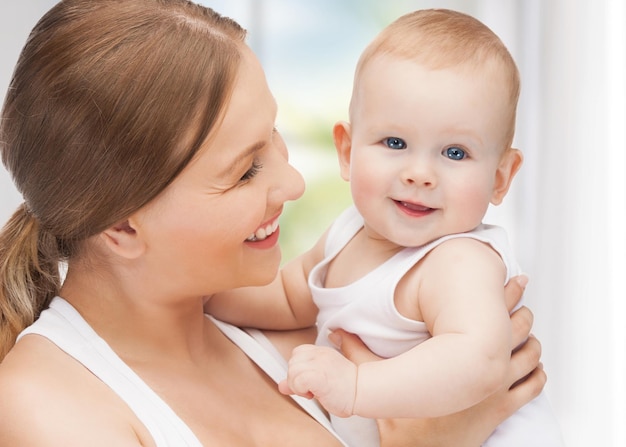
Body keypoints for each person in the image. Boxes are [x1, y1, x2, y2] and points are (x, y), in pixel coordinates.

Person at [0, 1, 546, 446]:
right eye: (246, 171)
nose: (293, 185)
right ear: (121, 226)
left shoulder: (312, 340)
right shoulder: (46, 405)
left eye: (274, 137)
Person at [205, 8, 563, 447]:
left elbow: (480, 359)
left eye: (454, 153)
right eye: (395, 143)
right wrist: (206, 293)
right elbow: (288, 296)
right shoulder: (348, 233)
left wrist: (357, 386)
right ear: (347, 151)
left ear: (501, 178)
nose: (420, 173)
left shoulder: (459, 260)